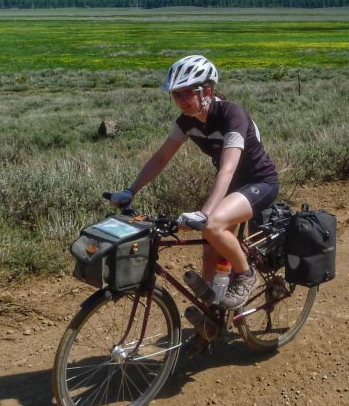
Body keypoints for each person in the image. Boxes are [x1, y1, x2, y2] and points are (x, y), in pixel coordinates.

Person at [110, 55, 278, 314]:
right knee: (210, 254)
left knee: (212, 225)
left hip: (259, 182)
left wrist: (206, 213)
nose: (180, 101)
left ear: (207, 91)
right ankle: (210, 318)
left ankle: (246, 275)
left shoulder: (231, 115)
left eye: (185, 94)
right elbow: (161, 157)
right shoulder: (187, 121)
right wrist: (130, 190)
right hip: (233, 188)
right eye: (175, 95)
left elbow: (228, 167)